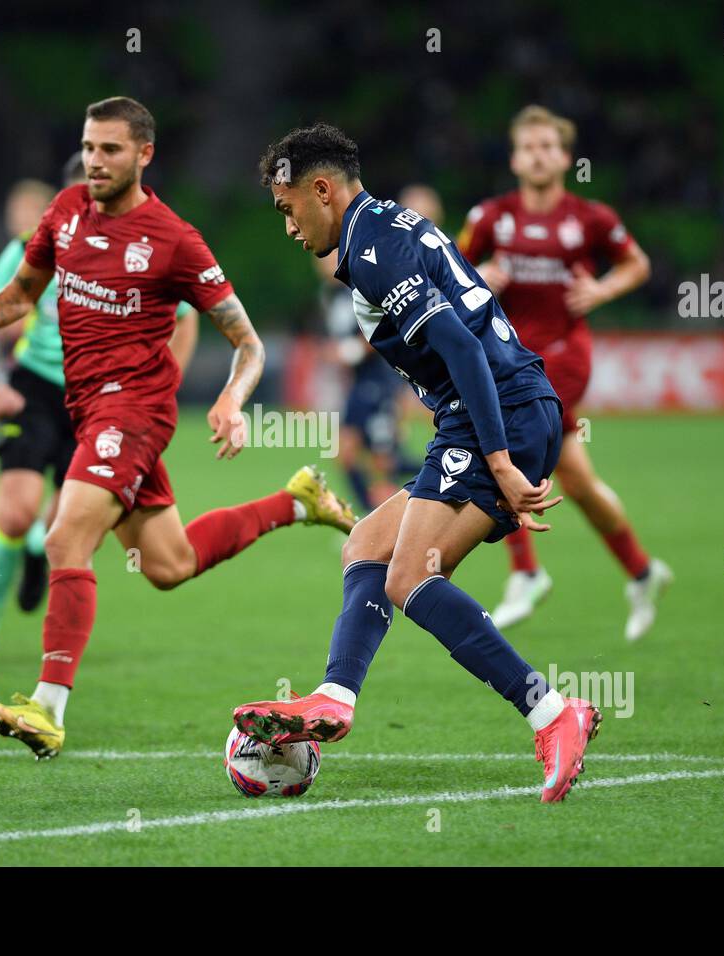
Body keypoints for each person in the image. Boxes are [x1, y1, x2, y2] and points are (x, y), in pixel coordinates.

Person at [0, 98, 354, 759]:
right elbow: (24, 291)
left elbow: (248, 344)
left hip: (134, 412)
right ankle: (297, 501)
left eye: (111, 149)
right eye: (90, 147)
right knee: (169, 563)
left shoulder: (174, 239)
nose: (96, 161)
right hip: (89, 412)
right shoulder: (66, 212)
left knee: (64, 536)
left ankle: (48, 707)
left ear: (143, 155)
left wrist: (231, 400)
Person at [234, 123, 599, 803]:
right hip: (497, 410)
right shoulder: (384, 228)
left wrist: (498, 457)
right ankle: (336, 697)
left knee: (409, 577)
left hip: (500, 413)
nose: (287, 227)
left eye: (287, 209)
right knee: (366, 547)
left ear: (321, 190)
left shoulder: (371, 247)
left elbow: (460, 348)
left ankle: (553, 713)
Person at [0, 156, 198, 677]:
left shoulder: (141, 252)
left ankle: (40, 559)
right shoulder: (32, 248)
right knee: (15, 515)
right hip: (36, 392)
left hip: (105, 404)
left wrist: (160, 386)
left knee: (63, 526)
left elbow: (186, 316)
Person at [458, 105, 670, 640]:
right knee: (576, 481)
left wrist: (602, 289)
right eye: (528, 146)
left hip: (564, 357)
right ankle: (642, 572)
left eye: (548, 146)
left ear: (566, 158)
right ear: (514, 158)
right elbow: (451, 267)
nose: (538, 154)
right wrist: (479, 275)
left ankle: (526, 572)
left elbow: (637, 264)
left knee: (501, 438)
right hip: (509, 357)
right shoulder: (490, 217)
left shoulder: (589, 217)